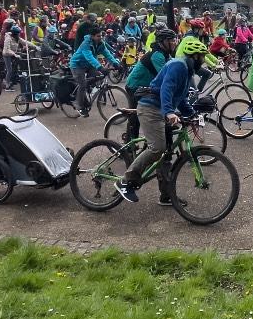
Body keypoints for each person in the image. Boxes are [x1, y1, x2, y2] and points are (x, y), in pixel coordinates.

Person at [115, 36, 208, 204]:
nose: (203, 59)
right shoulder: (178, 66)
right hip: (151, 108)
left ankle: (166, 195)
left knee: (166, 154)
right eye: (202, 56)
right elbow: (167, 88)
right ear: (194, 56)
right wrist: (169, 112)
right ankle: (125, 181)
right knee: (157, 148)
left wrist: (193, 114)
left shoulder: (187, 70)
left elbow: (179, 97)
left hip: (160, 110)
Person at [124, 28, 178, 141]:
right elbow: (165, 74)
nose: (174, 43)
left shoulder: (166, 54)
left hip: (146, 86)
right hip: (135, 86)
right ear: (163, 42)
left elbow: (175, 67)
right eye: (171, 40)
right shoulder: (157, 55)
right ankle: (129, 143)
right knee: (136, 115)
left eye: (175, 40)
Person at [70, 28, 115, 116]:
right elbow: (89, 57)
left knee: (99, 76)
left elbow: (107, 54)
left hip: (88, 65)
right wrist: (100, 67)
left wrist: (116, 64)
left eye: (101, 35)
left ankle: (87, 87)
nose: (100, 37)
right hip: (77, 65)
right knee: (82, 85)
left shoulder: (101, 44)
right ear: (92, 36)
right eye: (98, 36)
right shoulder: (85, 44)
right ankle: (79, 106)